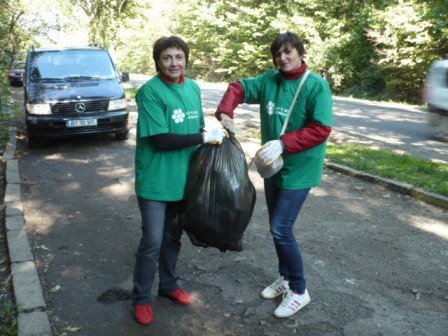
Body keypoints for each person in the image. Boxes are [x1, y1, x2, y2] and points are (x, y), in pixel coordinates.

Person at [216, 31, 333, 318]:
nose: (283, 57)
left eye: (289, 52)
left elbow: (321, 129)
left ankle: (299, 289)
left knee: (281, 228)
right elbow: (239, 87)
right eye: (279, 53)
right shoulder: (270, 80)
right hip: (273, 167)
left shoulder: (316, 86)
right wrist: (226, 111)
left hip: (300, 169)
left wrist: (283, 143)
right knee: (276, 227)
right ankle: (285, 277)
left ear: (301, 53)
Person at [132, 36, 227, 326]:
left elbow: (195, 127)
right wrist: (202, 137)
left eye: (178, 56)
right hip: (155, 181)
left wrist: (209, 142)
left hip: (184, 181)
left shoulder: (194, 88)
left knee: (173, 238)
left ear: (186, 58)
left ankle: (169, 285)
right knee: (152, 240)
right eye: (167, 58)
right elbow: (161, 140)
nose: (174, 63)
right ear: (158, 61)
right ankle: (141, 299)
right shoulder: (149, 92)